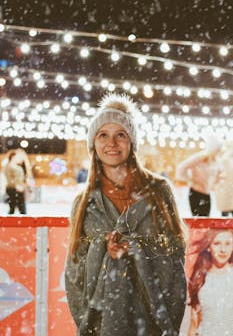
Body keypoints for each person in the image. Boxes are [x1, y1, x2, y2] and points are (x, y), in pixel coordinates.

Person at [65, 93, 187, 336]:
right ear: (93, 144)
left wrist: (135, 249)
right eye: (103, 135)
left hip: (151, 322)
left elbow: (175, 256)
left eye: (120, 134)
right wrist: (103, 249)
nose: (112, 142)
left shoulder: (158, 192)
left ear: (132, 142)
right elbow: (75, 270)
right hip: (103, 324)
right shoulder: (84, 202)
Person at [188, 229, 233, 336]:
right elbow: (194, 323)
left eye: (228, 244)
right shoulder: (199, 279)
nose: (223, 250)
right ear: (208, 247)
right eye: (217, 244)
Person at [176, 138, 222, 216]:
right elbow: (182, 167)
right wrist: (188, 179)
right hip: (195, 192)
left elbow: (220, 174)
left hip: (207, 194)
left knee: (206, 219)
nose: (217, 152)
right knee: (198, 220)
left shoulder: (216, 161)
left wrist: (214, 185)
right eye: (216, 150)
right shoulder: (199, 157)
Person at [213, 142, 233, 217]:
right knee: (225, 216)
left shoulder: (223, 160)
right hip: (225, 192)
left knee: (225, 217)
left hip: (225, 192)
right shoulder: (224, 160)